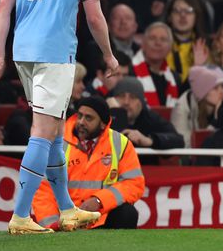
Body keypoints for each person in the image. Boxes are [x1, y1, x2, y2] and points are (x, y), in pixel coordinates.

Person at [0, 0, 118, 234]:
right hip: (54, 52)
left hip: (22, 50)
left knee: (56, 130)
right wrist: (109, 54)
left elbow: (3, 8)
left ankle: (66, 209)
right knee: (42, 133)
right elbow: (95, 17)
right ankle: (20, 216)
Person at [32, 95, 144, 230]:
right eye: (80, 116)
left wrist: (99, 200)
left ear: (103, 123)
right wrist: (53, 225)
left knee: (128, 213)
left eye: (88, 118)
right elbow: (42, 190)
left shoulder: (120, 143)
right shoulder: (57, 143)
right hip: (66, 220)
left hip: (101, 217)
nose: (81, 122)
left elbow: (134, 183)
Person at [107, 77, 185, 165]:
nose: (126, 102)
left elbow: (179, 141)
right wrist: (115, 114)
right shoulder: (105, 117)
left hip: (145, 173)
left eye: (132, 97)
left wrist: (150, 140)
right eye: (121, 96)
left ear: (141, 102)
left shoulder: (149, 118)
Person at [171, 66, 223, 148]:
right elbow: (184, 145)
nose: (222, 92)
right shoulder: (182, 108)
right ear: (203, 92)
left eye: (222, 87)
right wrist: (215, 122)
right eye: (215, 88)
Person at [131, 22, 179, 107]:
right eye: (152, 38)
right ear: (143, 43)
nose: (157, 43)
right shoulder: (130, 71)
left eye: (163, 39)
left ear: (170, 47)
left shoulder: (175, 78)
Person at [164, 0, 208, 85]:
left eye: (189, 11)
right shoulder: (160, 46)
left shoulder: (205, 48)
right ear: (169, 17)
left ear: (196, 17)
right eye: (177, 11)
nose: (182, 15)